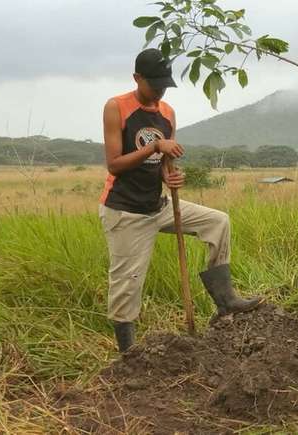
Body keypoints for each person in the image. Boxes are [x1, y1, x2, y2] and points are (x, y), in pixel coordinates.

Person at [99, 48, 261, 353]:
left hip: (157, 205)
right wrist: (155, 147)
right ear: (137, 78)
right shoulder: (116, 107)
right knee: (127, 281)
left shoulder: (167, 113)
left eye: (164, 85)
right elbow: (115, 164)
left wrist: (168, 177)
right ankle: (128, 354)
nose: (159, 91)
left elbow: (162, 161)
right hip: (125, 211)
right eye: (154, 84)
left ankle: (226, 301)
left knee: (217, 221)